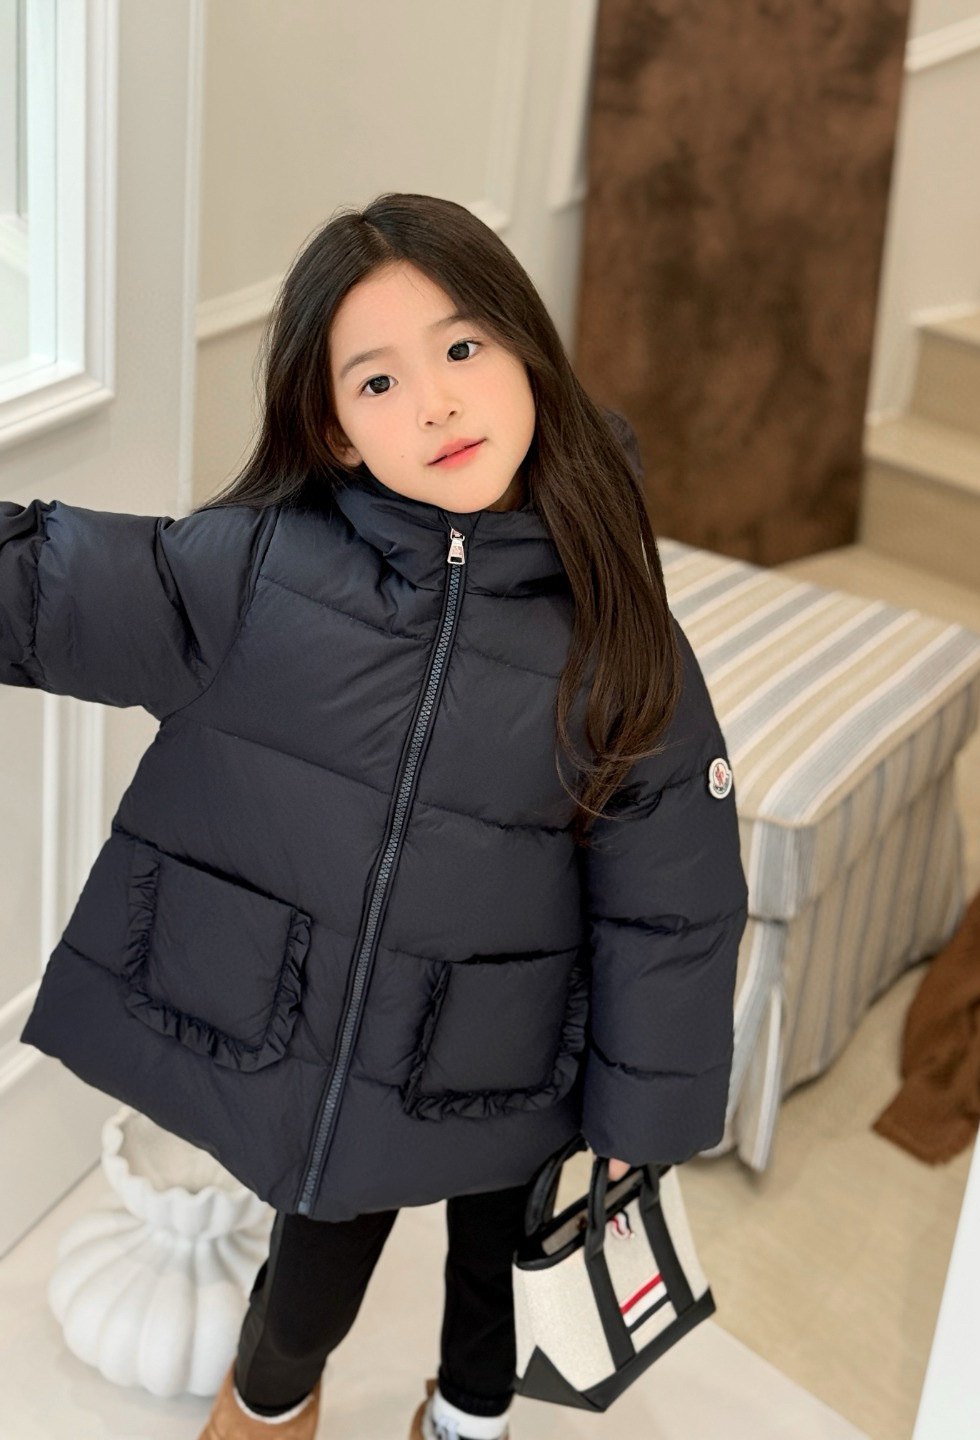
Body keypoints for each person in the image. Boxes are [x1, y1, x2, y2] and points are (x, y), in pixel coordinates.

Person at [0, 193, 748, 1440]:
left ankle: (464, 1420)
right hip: (347, 1062)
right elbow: (48, 588)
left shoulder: (620, 630)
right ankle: (266, 1408)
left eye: (462, 348)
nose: (437, 403)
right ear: (336, 432)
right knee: (306, 1293)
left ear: (527, 355)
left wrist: (643, 1123)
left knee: (495, 1293)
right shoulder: (256, 575)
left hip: (526, 1058)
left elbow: (674, 902)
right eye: (380, 381)